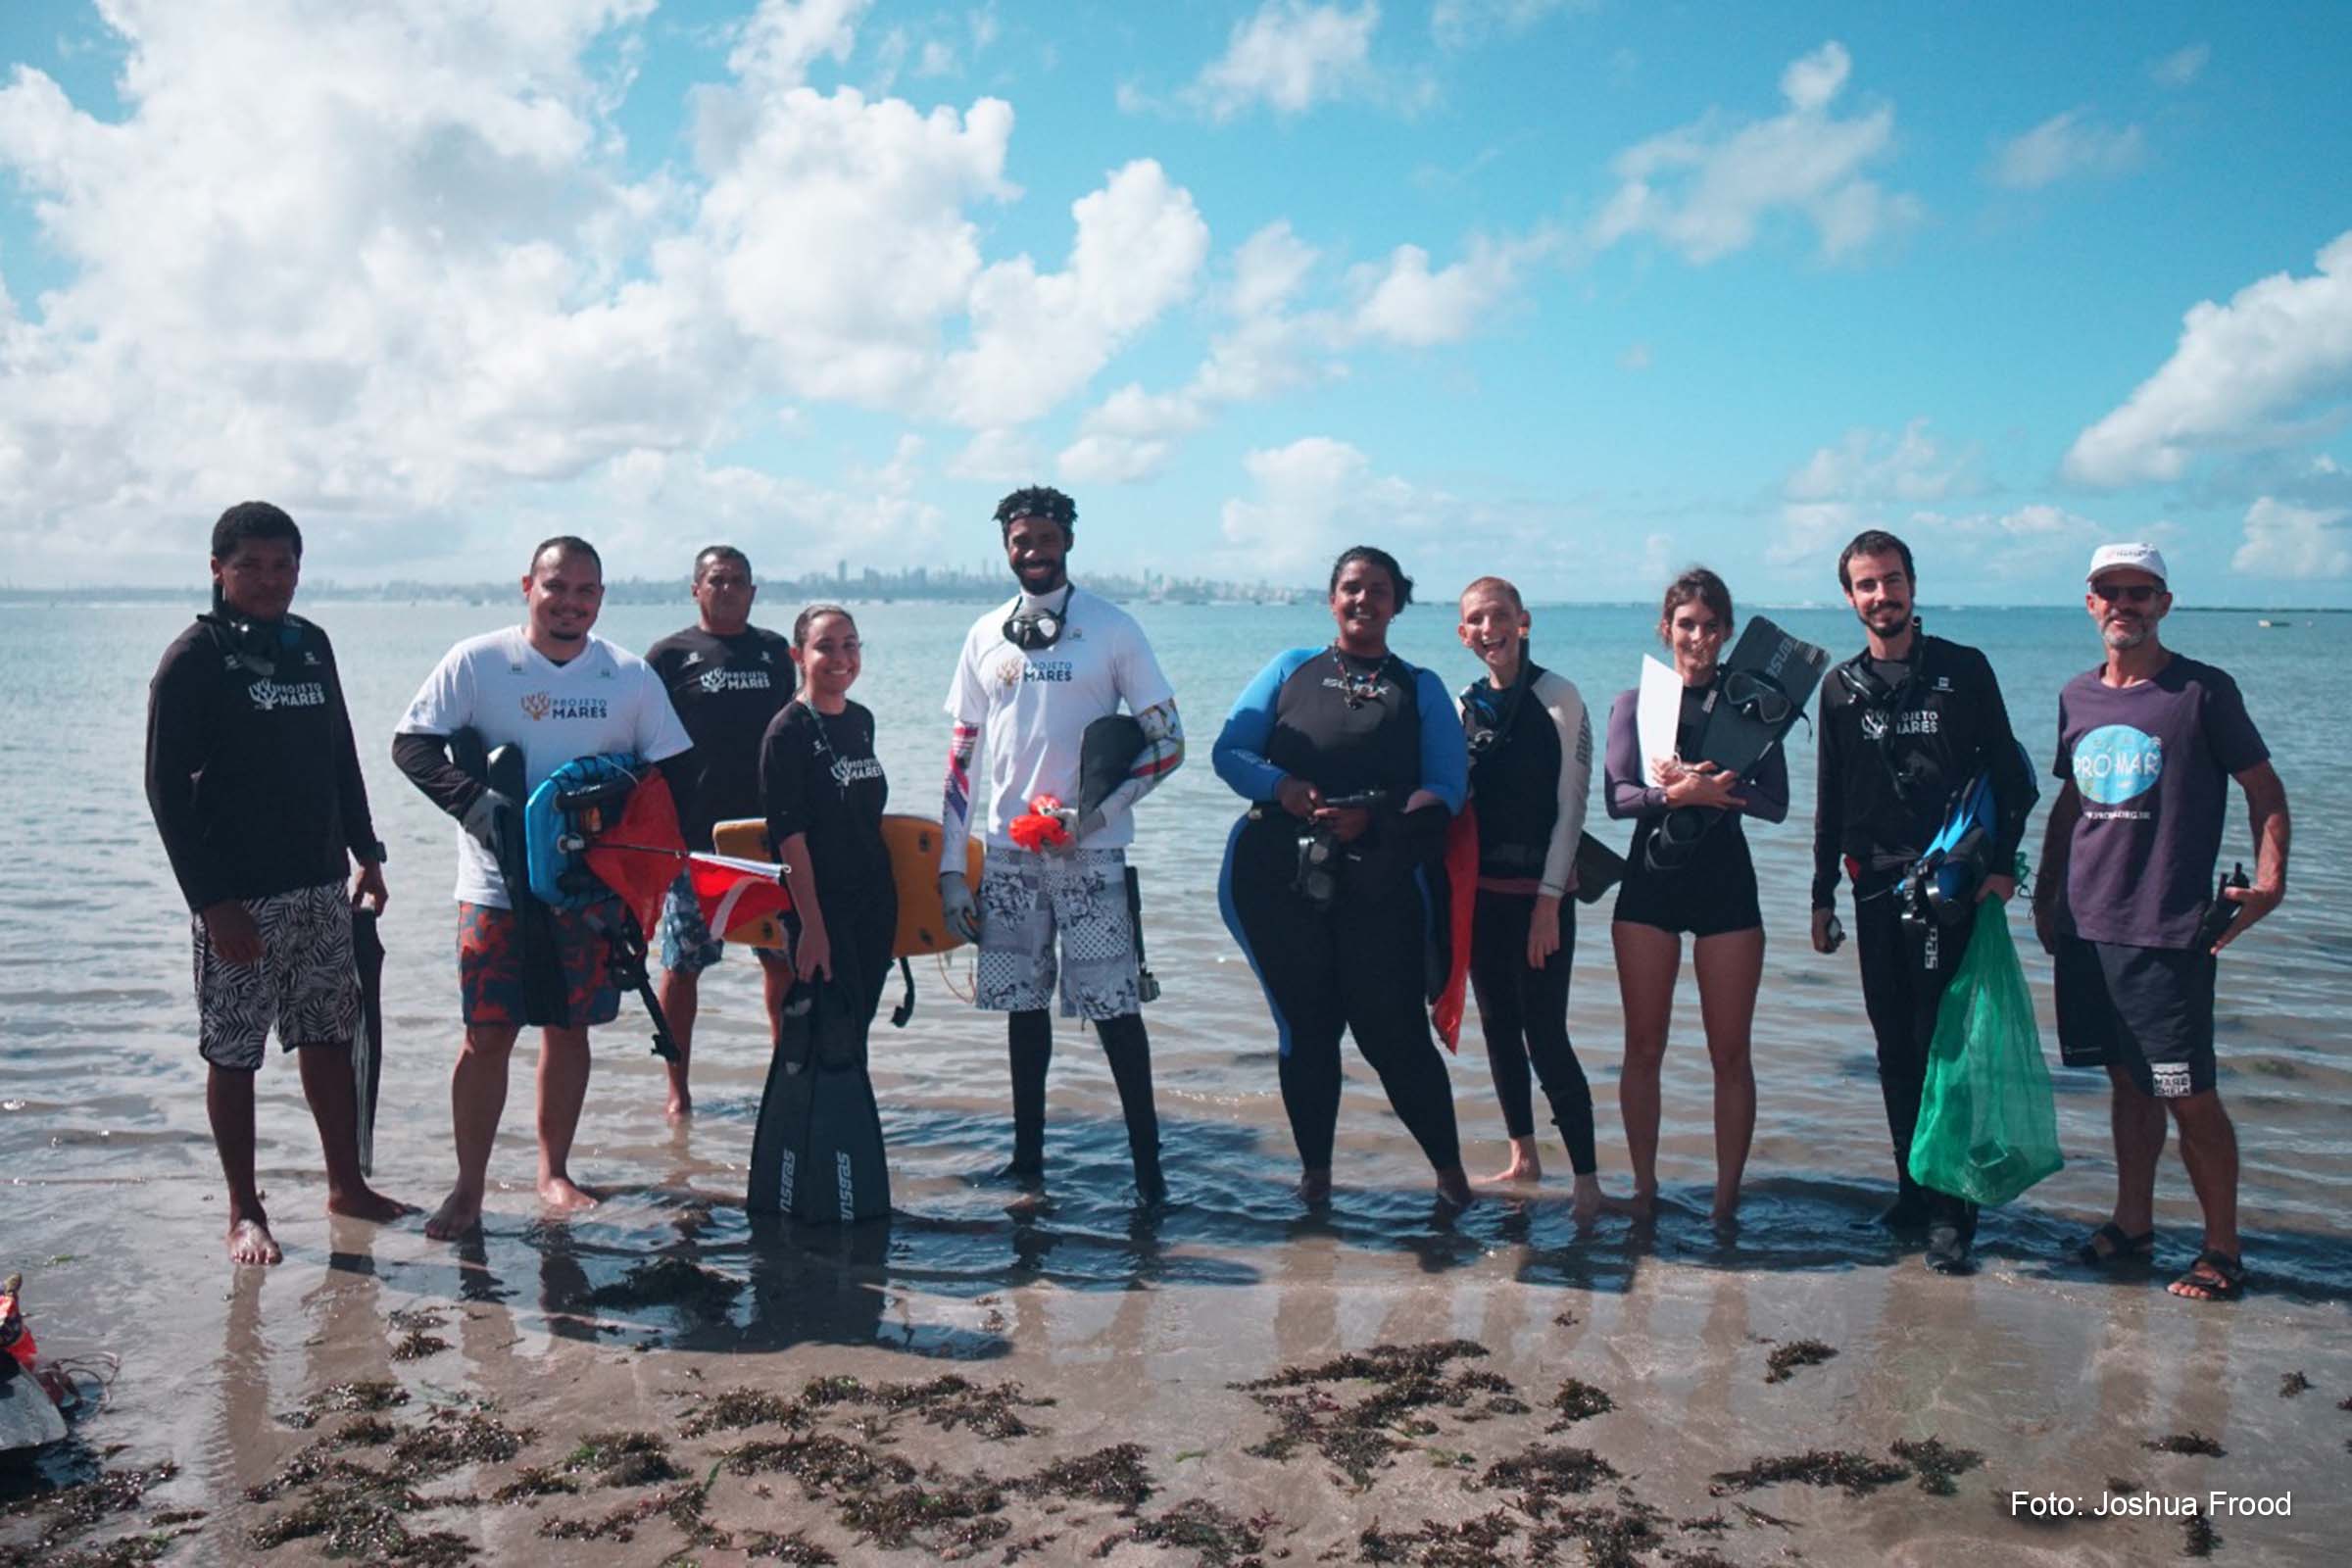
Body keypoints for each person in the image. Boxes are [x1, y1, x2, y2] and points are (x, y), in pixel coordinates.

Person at [391, 537, 693, 1240]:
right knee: (487, 1032)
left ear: (602, 599)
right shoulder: (478, 662)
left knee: (570, 1027)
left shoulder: (628, 676)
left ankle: (553, 1171)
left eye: (586, 592)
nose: (570, 604)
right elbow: (412, 744)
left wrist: (630, 849)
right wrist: (475, 805)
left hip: (587, 890)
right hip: (495, 887)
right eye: (557, 587)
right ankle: (467, 1190)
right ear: (528, 584)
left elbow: (671, 772)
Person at [145, 501, 408, 1265]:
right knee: (235, 1051)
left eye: (283, 565)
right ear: (217, 569)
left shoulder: (308, 644)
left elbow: (340, 753)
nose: (268, 580)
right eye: (250, 565)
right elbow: (163, 790)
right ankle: (244, 1210)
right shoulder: (193, 658)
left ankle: (345, 1185)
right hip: (238, 898)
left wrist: (368, 852)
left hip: (320, 886)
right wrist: (212, 903)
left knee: (328, 1037)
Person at [2034, 544, 2287, 1303]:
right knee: (2126, 1085)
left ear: (2164, 603)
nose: (2124, 605)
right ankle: (2133, 1226)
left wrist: (2271, 881)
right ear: (2089, 603)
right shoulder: (2078, 697)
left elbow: (2264, 789)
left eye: (2139, 592)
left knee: (2188, 1093)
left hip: (2168, 933)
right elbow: (2073, 804)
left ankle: (2223, 1249)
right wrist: (2048, 895)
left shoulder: (2202, 692)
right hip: (2088, 926)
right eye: (2109, 592)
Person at [937, 487, 1184, 1202]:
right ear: (1006, 548)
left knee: (1115, 1011)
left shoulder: (1113, 628)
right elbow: (961, 759)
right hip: (1009, 854)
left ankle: (1149, 1174)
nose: (1035, 551)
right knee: (1022, 1011)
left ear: (1068, 541)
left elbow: (1168, 744)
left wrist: (1095, 817)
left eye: (1047, 538)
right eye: (1021, 540)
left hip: (1090, 853)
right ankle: (1028, 1165)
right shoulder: (985, 634)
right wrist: (955, 870)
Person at [1216, 546, 1474, 1209]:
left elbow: (1447, 787)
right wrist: (1286, 786)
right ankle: (1317, 1181)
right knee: (1306, 1030)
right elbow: (1230, 750)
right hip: (1277, 877)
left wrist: (1375, 816)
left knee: (1392, 1035)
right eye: (1352, 589)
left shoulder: (1420, 688)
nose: (1365, 600)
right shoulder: (1288, 668)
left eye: (1379, 590)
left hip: (1382, 879)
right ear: (1332, 599)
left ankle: (1451, 1179)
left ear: (1398, 603)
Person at [1810, 530, 2036, 1274]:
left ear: (1913, 584)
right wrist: (1821, 895)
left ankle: (1952, 1211)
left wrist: (2001, 869)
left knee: (1947, 1048)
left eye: (1893, 580)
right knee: (1894, 1051)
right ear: (1850, 598)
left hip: (1949, 890)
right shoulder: (1840, 688)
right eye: (1867, 585)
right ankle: (1911, 1190)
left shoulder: (1962, 670)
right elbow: (1831, 799)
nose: (1883, 596)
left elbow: (2014, 774)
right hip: (1875, 889)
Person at [1604, 567, 1786, 1225]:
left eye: (1712, 627)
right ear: (1666, 629)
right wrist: (1672, 795)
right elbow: (1618, 798)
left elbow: (1777, 804)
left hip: (1726, 888)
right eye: (1687, 625)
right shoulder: (1635, 702)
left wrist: (1719, 790)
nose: (1699, 638)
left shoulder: (1750, 706)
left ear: (1729, 633)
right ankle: (1645, 1191)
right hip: (1650, 884)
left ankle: (1725, 1202)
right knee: (1643, 1046)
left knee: (1730, 1053)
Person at [1454, 576, 1602, 1218]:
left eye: (1499, 617)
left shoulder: (1559, 696)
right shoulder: (1465, 707)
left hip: (1542, 900)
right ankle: (1523, 1156)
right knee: (1497, 1029)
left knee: (1547, 1034)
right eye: (1476, 621)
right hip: (1483, 897)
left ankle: (1588, 1182)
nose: (1489, 629)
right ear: (1463, 635)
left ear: (1524, 622)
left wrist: (1548, 902)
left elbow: (1573, 807)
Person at [644, 546, 796, 1120]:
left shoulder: (776, 652)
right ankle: (677, 1090)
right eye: (716, 580)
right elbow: (644, 744)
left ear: (753, 592)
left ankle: (786, 1076)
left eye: (738, 581)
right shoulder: (669, 656)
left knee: (781, 959)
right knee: (683, 966)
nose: (727, 589)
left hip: (769, 838)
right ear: (695, 589)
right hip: (695, 841)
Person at [760, 605, 895, 1027]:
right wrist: (812, 926)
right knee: (828, 1038)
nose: (841, 658)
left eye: (850, 645)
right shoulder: (787, 732)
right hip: (822, 906)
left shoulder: (861, 720)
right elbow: (789, 837)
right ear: (797, 656)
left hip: (873, 901)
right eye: (825, 647)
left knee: (856, 1033)